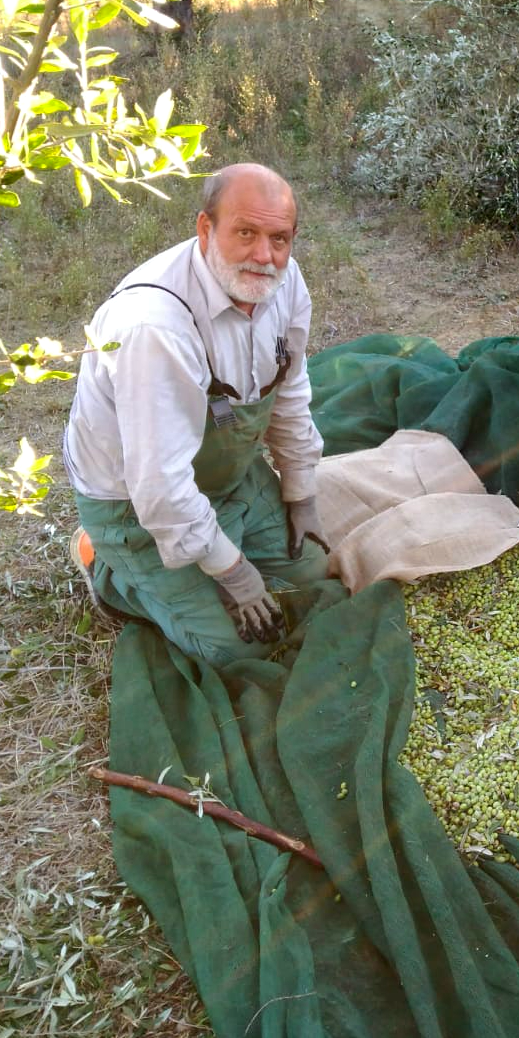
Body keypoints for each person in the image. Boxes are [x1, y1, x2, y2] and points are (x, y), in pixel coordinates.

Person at [64, 163, 331, 667]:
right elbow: (160, 484)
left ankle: (219, 535)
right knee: (237, 648)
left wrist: (301, 495)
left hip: (225, 474)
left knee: (315, 573)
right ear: (206, 228)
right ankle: (107, 567)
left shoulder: (286, 281)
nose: (264, 256)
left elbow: (289, 388)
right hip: (137, 505)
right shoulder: (154, 326)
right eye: (245, 233)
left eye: (279, 238)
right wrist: (235, 574)